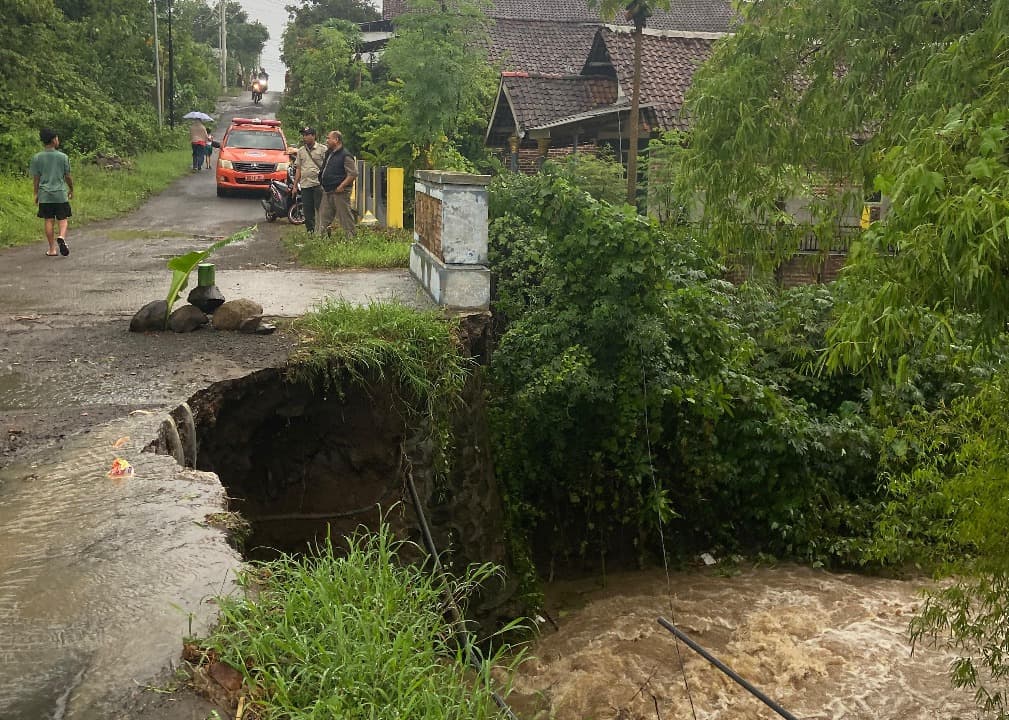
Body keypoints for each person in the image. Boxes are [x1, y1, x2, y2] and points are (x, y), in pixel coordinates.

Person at [30, 127, 74, 257]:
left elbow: (36, 178)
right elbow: (68, 176)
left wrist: (36, 193)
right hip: (60, 194)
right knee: (63, 219)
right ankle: (61, 236)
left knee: (48, 220)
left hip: (45, 195)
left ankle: (52, 249)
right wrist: (71, 189)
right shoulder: (63, 157)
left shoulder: (37, 158)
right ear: (54, 140)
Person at [317, 130, 358, 239]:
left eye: (328, 138)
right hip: (328, 190)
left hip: (340, 192)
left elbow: (353, 173)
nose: (327, 141)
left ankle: (351, 238)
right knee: (324, 216)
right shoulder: (329, 153)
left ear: (336, 140)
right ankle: (320, 240)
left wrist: (342, 186)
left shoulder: (345, 155)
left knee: (345, 216)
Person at [292, 126, 326, 233]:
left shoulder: (322, 149)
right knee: (307, 212)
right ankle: (310, 234)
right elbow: (298, 169)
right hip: (305, 185)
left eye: (307, 135)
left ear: (314, 136)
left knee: (321, 210)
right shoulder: (301, 151)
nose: (305, 137)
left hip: (318, 185)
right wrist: (295, 186)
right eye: (304, 135)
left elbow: (328, 166)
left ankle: (323, 233)